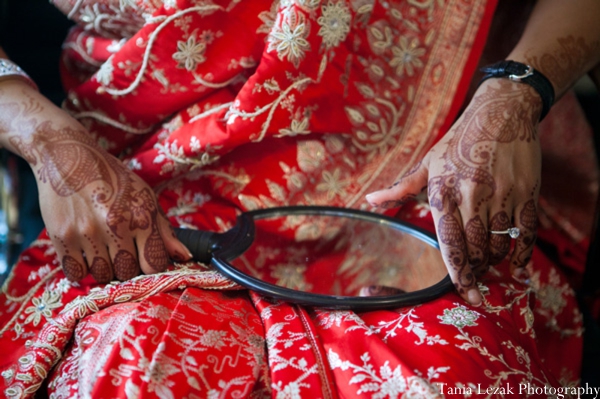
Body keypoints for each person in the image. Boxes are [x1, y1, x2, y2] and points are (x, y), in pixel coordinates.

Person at [0, 0, 598, 397]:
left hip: (435, 185)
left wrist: (516, 93)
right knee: (129, 372)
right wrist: (46, 140)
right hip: (149, 207)